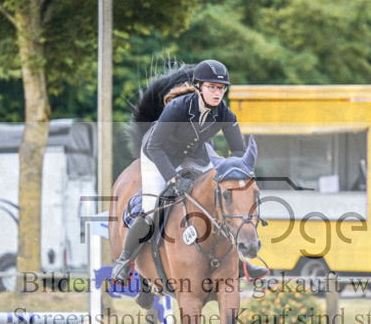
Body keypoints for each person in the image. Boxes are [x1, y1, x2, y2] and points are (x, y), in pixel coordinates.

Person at [111, 59, 266, 283]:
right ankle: (125, 260)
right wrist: (172, 178)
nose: (217, 93)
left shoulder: (224, 113)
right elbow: (155, 146)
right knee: (151, 208)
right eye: (212, 87)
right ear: (198, 87)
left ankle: (240, 262)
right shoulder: (177, 108)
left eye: (221, 88)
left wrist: (233, 175)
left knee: (219, 202)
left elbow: (239, 151)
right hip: (158, 155)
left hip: (195, 156)